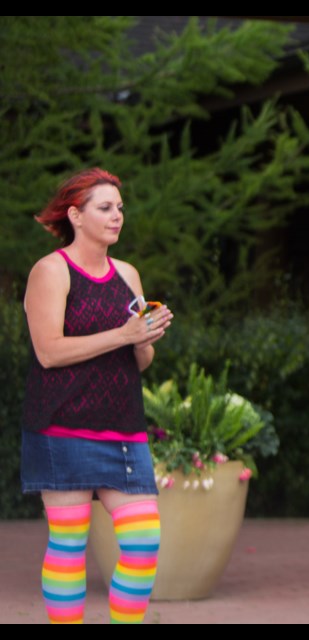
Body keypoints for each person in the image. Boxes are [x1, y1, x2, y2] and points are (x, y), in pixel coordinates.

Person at [21, 168, 174, 624]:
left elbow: (138, 361)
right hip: (62, 424)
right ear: (76, 215)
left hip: (123, 428)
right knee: (69, 545)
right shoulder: (51, 271)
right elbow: (48, 353)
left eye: (120, 208)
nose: (117, 217)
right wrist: (122, 333)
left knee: (143, 542)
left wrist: (144, 340)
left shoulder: (127, 274)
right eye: (105, 208)